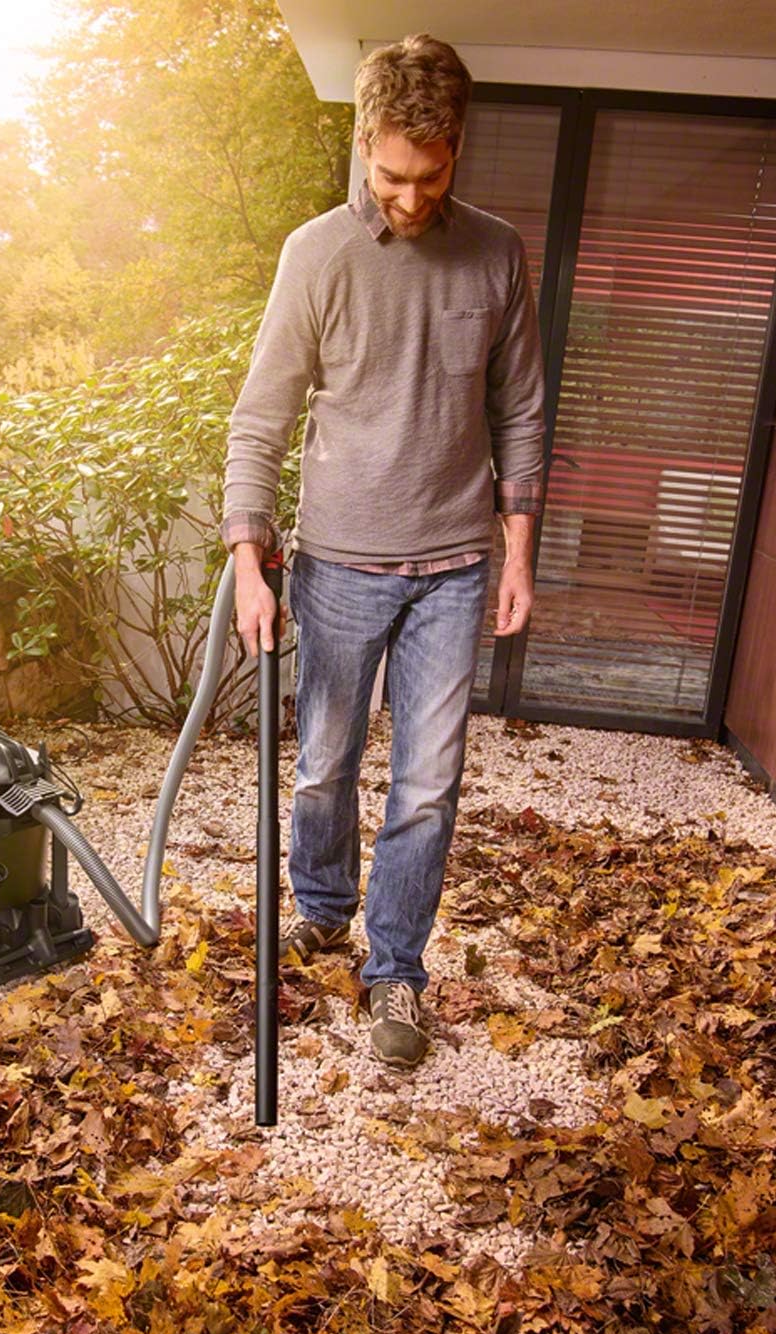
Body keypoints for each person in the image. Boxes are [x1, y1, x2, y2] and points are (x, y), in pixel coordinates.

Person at [221, 34, 546, 1069]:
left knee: (428, 782)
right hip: (341, 568)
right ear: (365, 146)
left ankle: (395, 968)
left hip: (454, 566)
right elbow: (260, 417)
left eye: (432, 173)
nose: (410, 197)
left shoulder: (495, 253)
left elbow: (525, 410)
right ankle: (321, 906)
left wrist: (519, 553)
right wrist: (247, 557)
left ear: (457, 150)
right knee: (322, 770)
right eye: (393, 175)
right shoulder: (316, 254)